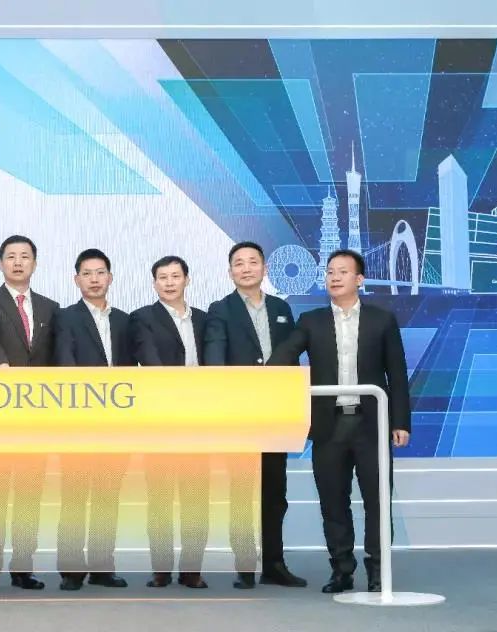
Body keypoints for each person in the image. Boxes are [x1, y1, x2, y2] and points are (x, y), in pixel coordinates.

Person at [268, 249, 411, 593]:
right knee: (333, 502)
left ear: (359, 279)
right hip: (328, 426)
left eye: (343, 271)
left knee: (377, 501)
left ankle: (378, 571)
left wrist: (400, 422)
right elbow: (284, 356)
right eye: (330, 271)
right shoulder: (311, 321)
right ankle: (341, 570)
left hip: (371, 425)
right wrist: (264, 376)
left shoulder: (382, 320)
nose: (334, 277)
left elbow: (397, 373)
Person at [204, 241, 308, 590]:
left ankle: (275, 564)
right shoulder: (220, 309)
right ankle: (245, 565)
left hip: (275, 414)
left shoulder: (281, 308)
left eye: (252, 262)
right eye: (239, 263)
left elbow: (291, 359)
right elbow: (215, 358)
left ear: (264, 269)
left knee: (275, 493)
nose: (246, 268)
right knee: (242, 493)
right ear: (230, 272)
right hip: (240, 416)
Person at [0, 235, 59, 591]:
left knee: (29, 495)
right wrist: (4, 370)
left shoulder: (51, 307)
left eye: (25, 256)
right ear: (1, 263)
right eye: (11, 256)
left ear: (34, 263)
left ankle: (23, 566)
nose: (18, 262)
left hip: (36, 419)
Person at [129, 256, 210, 589]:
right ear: (154, 283)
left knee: (196, 498)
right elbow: (149, 360)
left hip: (199, 421)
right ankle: (161, 568)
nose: (169, 282)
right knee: (160, 498)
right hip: (161, 420)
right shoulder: (142, 318)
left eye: (175, 276)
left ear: (186, 280)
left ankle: (192, 569)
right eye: (162, 277)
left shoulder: (204, 319)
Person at [53, 249, 131, 591]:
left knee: (107, 498)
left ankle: (102, 567)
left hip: (116, 426)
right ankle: (71, 570)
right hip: (79, 424)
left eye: (100, 273)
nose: (94, 279)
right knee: (74, 498)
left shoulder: (125, 321)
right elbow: (64, 364)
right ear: (77, 280)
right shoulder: (66, 318)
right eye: (87, 273)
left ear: (110, 278)